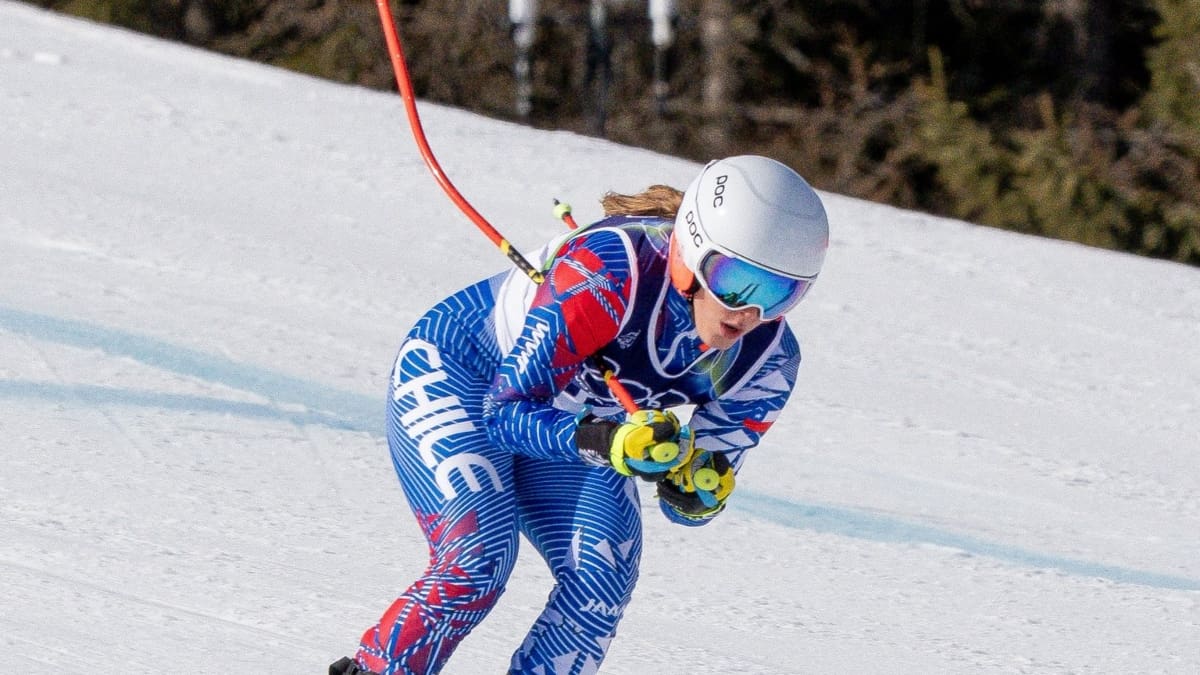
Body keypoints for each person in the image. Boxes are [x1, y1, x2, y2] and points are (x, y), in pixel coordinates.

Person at [330, 155, 829, 675]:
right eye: (734, 279)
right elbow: (504, 413)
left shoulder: (768, 361)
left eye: (780, 292)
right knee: (479, 557)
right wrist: (609, 442)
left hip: (577, 418)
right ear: (691, 251)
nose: (748, 312)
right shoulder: (613, 270)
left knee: (601, 581)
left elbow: (685, 507)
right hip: (465, 374)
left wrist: (697, 490)